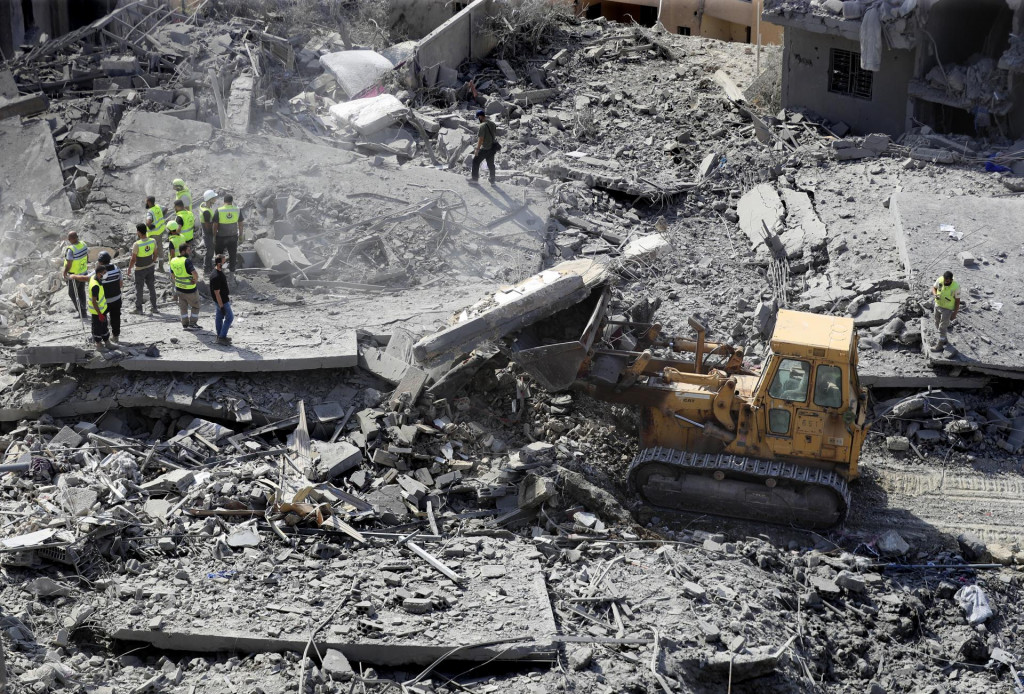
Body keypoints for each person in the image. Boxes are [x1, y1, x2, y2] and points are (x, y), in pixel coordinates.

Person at [127, 223, 159, 314]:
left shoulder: (137, 244)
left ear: (139, 232)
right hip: (150, 267)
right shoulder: (152, 241)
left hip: (139, 269)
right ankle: (154, 307)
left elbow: (133, 259)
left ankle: (139, 309)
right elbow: (156, 253)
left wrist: (129, 268)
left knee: (139, 289)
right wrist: (152, 261)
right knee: (151, 287)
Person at [170, 243, 201, 330]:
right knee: (196, 306)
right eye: (188, 250)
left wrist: (177, 281)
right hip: (189, 289)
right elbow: (194, 273)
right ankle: (193, 323)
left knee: (183, 307)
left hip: (179, 288)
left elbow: (172, 274)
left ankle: (185, 324)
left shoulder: (173, 260)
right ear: (183, 252)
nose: (190, 252)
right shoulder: (186, 261)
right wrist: (195, 280)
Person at [82, 264, 112, 350]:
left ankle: (107, 342)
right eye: (104, 272)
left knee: (104, 326)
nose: (106, 274)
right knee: (97, 328)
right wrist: (99, 314)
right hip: (97, 312)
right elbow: (94, 301)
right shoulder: (95, 285)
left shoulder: (95, 278)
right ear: (99, 273)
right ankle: (98, 345)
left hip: (102, 309)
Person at [96, 251, 123, 344]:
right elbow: (120, 284)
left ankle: (104, 338)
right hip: (116, 298)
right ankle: (116, 336)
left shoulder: (99, 272)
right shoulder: (116, 268)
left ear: (100, 262)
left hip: (104, 301)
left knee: (102, 319)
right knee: (116, 317)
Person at [931, 270, 961, 351]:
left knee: (942, 327)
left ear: (951, 280)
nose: (945, 282)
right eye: (944, 280)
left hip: (947, 308)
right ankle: (944, 339)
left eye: (947, 281)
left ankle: (939, 345)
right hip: (938, 305)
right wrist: (935, 294)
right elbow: (934, 288)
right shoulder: (940, 280)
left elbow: (958, 301)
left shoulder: (956, 286)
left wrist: (955, 313)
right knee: (936, 323)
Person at [61, 230, 88, 318]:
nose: (68, 240)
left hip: (74, 275)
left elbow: (69, 264)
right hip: (83, 272)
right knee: (81, 292)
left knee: (72, 293)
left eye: (69, 238)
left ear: (72, 239)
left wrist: (64, 273)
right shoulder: (83, 244)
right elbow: (86, 257)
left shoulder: (71, 249)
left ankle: (81, 312)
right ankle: (84, 310)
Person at [213, 193, 243, 272]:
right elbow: (240, 224)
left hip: (221, 237)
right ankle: (232, 271)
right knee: (233, 254)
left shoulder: (219, 210)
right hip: (233, 236)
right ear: (232, 201)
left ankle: (219, 270)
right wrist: (241, 235)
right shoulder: (237, 210)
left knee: (219, 254)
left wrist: (214, 236)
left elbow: (215, 225)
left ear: (224, 201)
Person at [469, 109, 499, 184]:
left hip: (485, 148)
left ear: (480, 117)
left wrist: (477, 149)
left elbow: (481, 139)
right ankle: (492, 179)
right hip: (492, 148)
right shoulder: (492, 124)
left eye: (478, 118)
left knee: (475, 161)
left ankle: (474, 179)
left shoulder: (482, 126)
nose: (478, 120)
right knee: (491, 164)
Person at [210, 254, 233, 346]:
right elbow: (217, 293)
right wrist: (221, 306)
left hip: (221, 300)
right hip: (222, 301)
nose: (225, 263)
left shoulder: (218, 272)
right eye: (224, 261)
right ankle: (222, 337)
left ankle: (220, 335)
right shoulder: (216, 276)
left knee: (219, 318)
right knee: (230, 317)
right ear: (219, 263)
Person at [199, 189, 218, 273]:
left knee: (210, 251)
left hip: (205, 232)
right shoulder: (206, 212)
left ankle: (209, 267)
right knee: (210, 251)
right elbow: (208, 226)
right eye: (214, 197)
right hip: (208, 233)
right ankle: (206, 269)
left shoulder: (203, 206)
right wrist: (214, 234)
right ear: (210, 199)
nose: (215, 199)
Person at [145, 196, 166, 271]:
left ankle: (150, 266)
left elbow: (148, 222)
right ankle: (161, 267)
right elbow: (166, 209)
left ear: (149, 202)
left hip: (153, 234)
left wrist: (149, 225)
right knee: (160, 249)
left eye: (146, 201)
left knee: (150, 250)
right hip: (160, 231)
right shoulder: (158, 206)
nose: (145, 203)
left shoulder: (150, 211)